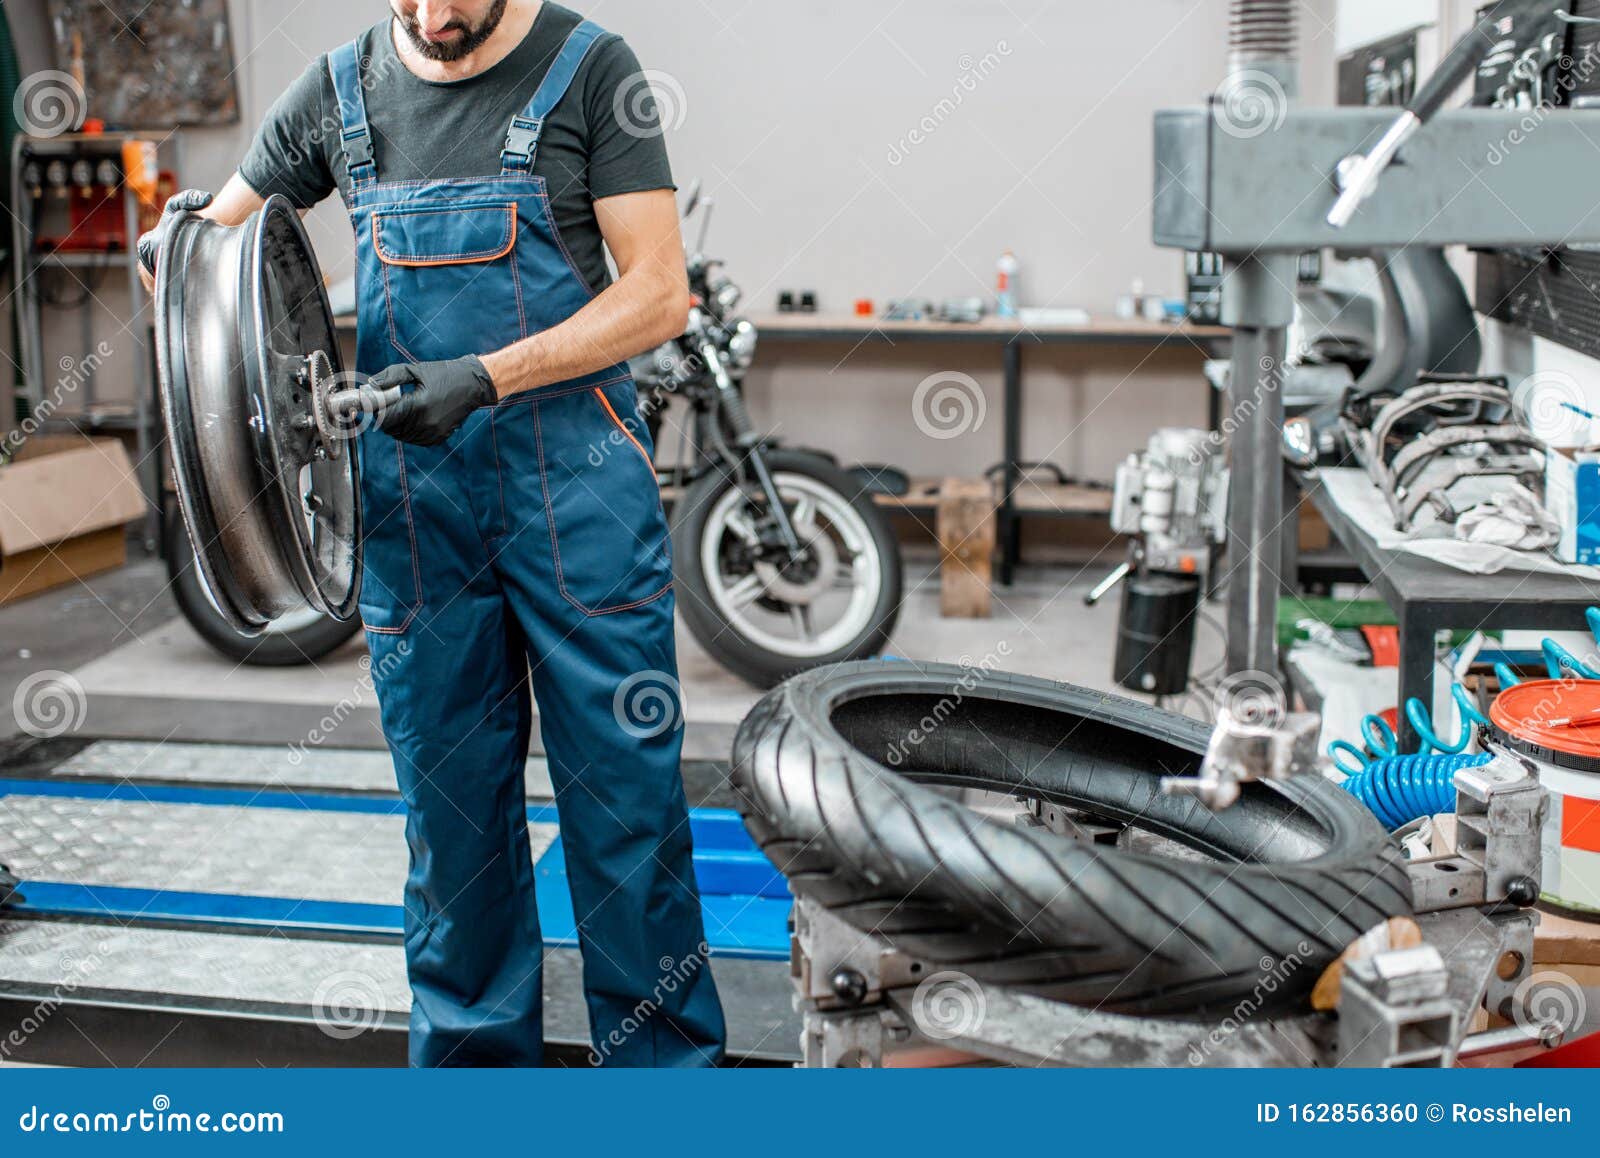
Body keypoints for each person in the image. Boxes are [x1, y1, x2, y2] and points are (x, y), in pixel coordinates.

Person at [139, 0, 725, 1067]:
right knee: (451, 830)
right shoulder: (338, 89)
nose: (434, 16)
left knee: (626, 818)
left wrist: (485, 377)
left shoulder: (591, 69)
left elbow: (657, 294)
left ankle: (660, 1088)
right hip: (418, 515)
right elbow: (203, 255)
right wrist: (178, 260)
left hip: (577, 500)